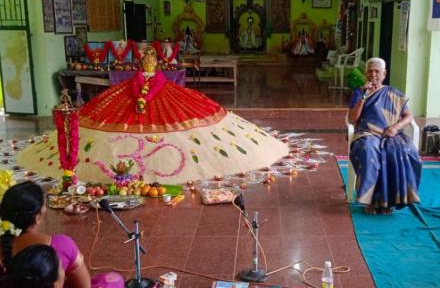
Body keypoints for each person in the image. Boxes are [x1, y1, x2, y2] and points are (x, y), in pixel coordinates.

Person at [16, 47, 288, 184]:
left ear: (154, 65)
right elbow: (139, 85)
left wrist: (145, 95)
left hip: (157, 101)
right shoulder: (136, 79)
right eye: (144, 63)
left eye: (150, 63)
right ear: (141, 64)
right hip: (132, 104)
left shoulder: (158, 78)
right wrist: (141, 97)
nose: (147, 66)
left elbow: (155, 83)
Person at [0, 181, 124, 287]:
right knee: (113, 281)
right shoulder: (60, 244)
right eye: (44, 205)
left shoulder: (4, 246)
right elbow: (84, 285)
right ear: (38, 217)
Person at [347, 57, 422, 214]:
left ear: (384, 74)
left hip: (391, 134)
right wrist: (364, 97)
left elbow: (408, 116)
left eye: (377, 71)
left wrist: (396, 127)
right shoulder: (359, 92)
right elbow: (353, 119)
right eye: (370, 71)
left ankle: (389, 202)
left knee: (406, 151)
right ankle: (372, 201)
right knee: (369, 150)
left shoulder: (393, 93)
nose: (373, 74)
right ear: (365, 73)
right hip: (366, 133)